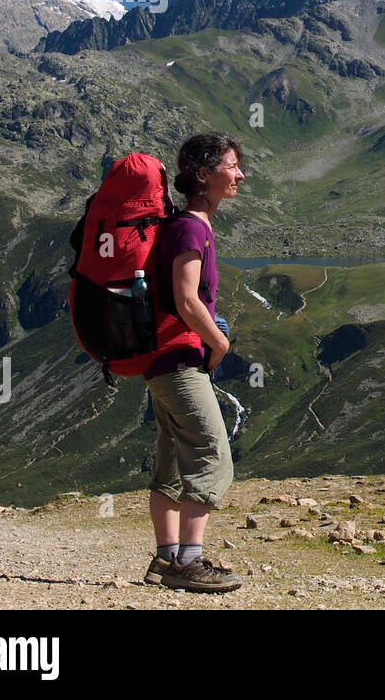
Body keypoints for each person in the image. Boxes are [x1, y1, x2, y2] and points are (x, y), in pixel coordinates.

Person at [141, 132, 246, 593]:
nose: (240, 175)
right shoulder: (190, 227)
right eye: (231, 166)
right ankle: (190, 562)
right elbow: (187, 300)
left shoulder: (187, 225)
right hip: (182, 362)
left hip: (163, 364)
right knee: (211, 454)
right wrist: (218, 346)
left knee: (170, 459)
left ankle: (166, 560)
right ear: (203, 174)